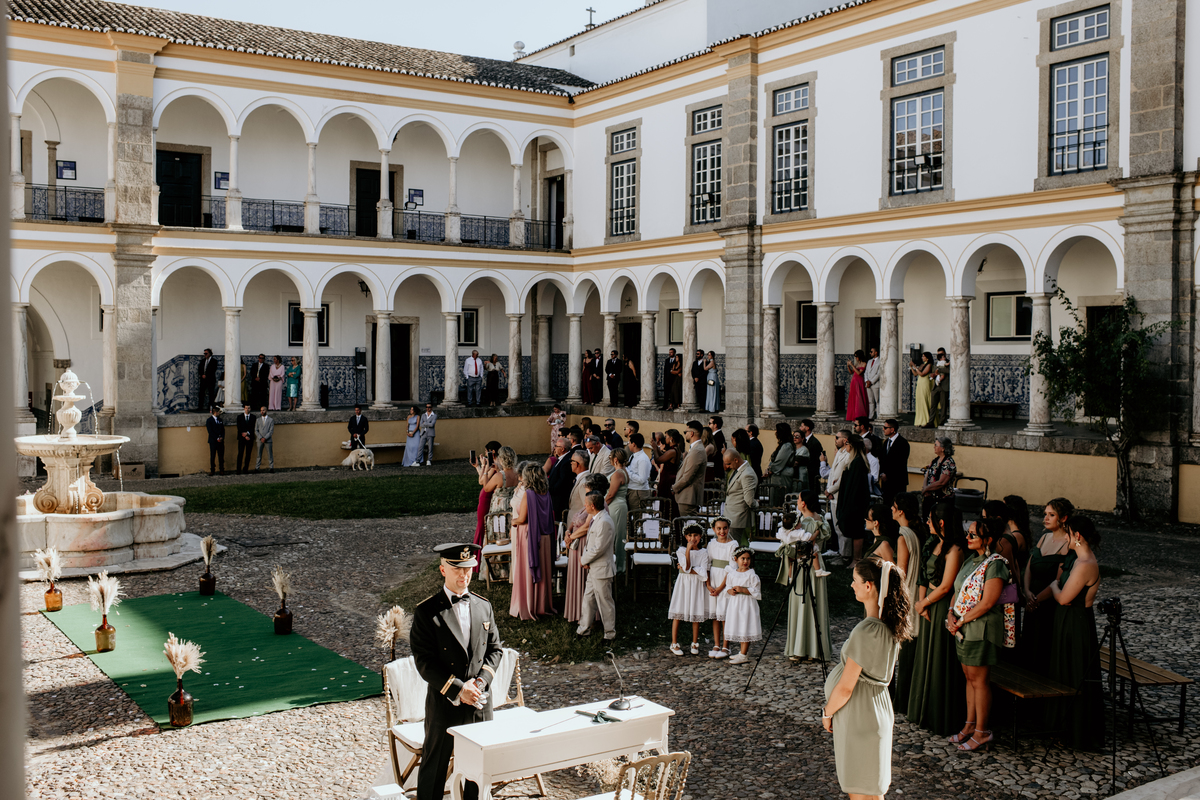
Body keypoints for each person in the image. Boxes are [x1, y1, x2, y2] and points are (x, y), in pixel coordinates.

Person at [410, 542, 503, 800]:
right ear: (443, 570)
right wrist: (460, 690)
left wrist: (479, 685)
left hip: (479, 703)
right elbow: (425, 662)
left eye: (469, 569)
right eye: (457, 569)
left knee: (479, 773)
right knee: (434, 770)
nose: (464, 575)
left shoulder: (484, 606)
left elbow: (495, 650)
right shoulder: (427, 611)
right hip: (444, 702)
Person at [822, 557, 913, 799]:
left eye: (855, 580)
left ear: (869, 586)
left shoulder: (866, 630)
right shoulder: (890, 626)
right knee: (872, 790)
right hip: (877, 710)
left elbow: (846, 687)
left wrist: (827, 712)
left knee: (860, 791)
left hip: (859, 714)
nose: (852, 585)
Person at [946, 517, 1013, 753]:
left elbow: (987, 603)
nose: (968, 537)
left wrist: (961, 620)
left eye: (973, 535)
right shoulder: (971, 560)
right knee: (969, 678)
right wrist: (950, 614)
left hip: (981, 630)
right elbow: (957, 590)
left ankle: (982, 731)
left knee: (980, 681)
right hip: (964, 629)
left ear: (988, 539)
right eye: (969, 533)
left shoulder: (996, 565)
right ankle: (969, 725)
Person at [906, 501, 967, 736]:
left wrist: (924, 603)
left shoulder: (956, 550)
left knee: (939, 655)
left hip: (942, 605)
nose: (927, 522)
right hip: (928, 603)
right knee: (925, 654)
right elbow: (924, 574)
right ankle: (922, 709)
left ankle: (939, 714)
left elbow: (946, 586)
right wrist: (921, 603)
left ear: (941, 522)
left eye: (930, 519)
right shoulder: (934, 543)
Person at [1046, 515, 1104, 751]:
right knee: (1065, 671)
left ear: (1077, 536)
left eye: (1068, 534)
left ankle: (1076, 731)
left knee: (1074, 673)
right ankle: (1065, 727)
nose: (1066, 538)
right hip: (1071, 621)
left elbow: (1064, 598)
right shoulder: (1081, 560)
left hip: (1076, 623)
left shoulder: (1085, 564)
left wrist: (1053, 585)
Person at [1022, 497, 1073, 673]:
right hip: (1032, 598)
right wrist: (1027, 592)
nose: (1046, 518)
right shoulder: (1044, 538)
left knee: (1043, 645)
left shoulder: (1067, 544)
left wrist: (1036, 600)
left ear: (1063, 518)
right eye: (1045, 514)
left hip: (1047, 603)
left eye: (1051, 515)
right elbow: (1029, 567)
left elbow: (1058, 580)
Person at [780, 493, 832, 662]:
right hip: (816, 562)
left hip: (805, 565)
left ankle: (801, 648)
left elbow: (803, 547)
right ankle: (814, 648)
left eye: (799, 499)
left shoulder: (806, 523)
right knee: (814, 603)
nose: (797, 502)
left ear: (804, 503)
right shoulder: (819, 519)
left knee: (804, 603)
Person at [886, 493, 923, 709]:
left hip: (907, 594)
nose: (891, 509)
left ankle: (900, 698)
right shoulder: (915, 534)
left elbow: (902, 572)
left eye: (894, 506)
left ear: (901, 511)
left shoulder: (903, 536)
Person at [510, 462, 555, 620]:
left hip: (530, 536)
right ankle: (542, 604)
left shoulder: (528, 494)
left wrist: (513, 521)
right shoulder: (545, 493)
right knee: (543, 568)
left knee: (527, 567)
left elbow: (522, 518)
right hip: (545, 537)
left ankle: (528, 604)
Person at [577, 491, 617, 639]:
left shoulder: (604, 522)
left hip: (602, 570)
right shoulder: (597, 519)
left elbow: (599, 548)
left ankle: (610, 633)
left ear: (592, 506)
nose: (584, 505)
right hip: (594, 569)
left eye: (586, 504)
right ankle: (584, 629)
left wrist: (584, 560)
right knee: (588, 599)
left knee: (605, 602)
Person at [668, 523, 710, 656]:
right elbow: (686, 567)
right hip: (684, 584)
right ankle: (674, 643)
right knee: (678, 611)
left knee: (696, 612)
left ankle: (695, 642)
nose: (693, 539)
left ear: (700, 536)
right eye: (690, 536)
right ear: (686, 537)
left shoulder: (704, 553)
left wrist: (690, 570)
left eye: (696, 535)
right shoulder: (681, 551)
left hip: (697, 585)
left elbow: (703, 571)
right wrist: (688, 550)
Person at [836, 434, 872, 566]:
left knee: (857, 531)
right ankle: (854, 558)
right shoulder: (855, 461)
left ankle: (857, 559)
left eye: (847, 444)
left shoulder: (857, 462)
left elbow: (856, 486)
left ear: (851, 445)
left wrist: (849, 504)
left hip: (855, 503)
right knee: (853, 529)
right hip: (853, 501)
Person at [722, 547, 762, 664]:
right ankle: (742, 652)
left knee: (745, 626)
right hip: (735, 604)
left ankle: (743, 655)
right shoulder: (732, 574)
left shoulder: (751, 574)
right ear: (736, 559)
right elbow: (728, 586)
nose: (745, 561)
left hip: (747, 604)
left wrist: (743, 590)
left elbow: (756, 591)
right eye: (743, 558)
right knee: (739, 626)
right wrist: (730, 591)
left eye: (748, 559)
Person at [706, 517, 738, 659]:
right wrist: (708, 584)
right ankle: (716, 644)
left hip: (725, 581)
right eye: (719, 528)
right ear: (714, 529)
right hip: (713, 579)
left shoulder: (733, 545)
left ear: (728, 529)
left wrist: (720, 588)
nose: (722, 531)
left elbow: (732, 567)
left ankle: (726, 646)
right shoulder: (711, 544)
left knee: (724, 614)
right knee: (715, 615)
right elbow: (707, 564)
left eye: (725, 528)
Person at [672, 421, 707, 517]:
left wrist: (674, 488)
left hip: (688, 497)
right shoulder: (695, 449)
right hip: (686, 496)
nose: (685, 435)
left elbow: (687, 477)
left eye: (685, 432)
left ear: (691, 433)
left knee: (689, 524)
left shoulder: (697, 451)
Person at [722, 449, 757, 546]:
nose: (727, 466)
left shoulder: (747, 474)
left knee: (731, 546)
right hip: (729, 515)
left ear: (736, 460)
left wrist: (757, 504)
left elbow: (749, 500)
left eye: (728, 464)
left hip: (737, 517)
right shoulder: (737, 470)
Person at [605, 449, 630, 574]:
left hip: (616, 506)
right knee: (617, 535)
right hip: (619, 505)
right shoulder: (623, 471)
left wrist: (602, 505)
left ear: (615, 460)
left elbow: (611, 495)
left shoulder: (618, 474)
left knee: (617, 536)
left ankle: (619, 566)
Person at [920, 437, 957, 520]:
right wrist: (925, 488)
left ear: (943, 448)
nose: (934, 447)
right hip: (930, 497)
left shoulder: (948, 462)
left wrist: (926, 489)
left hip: (942, 499)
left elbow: (941, 482)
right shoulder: (935, 460)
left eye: (936, 445)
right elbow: (927, 473)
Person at [877, 419, 909, 507]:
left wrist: (888, 475)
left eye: (885, 427)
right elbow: (882, 459)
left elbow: (900, 463)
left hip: (897, 481)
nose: (883, 429)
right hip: (886, 482)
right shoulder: (886, 442)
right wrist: (882, 473)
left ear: (892, 429)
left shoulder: (903, 443)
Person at [763, 422, 795, 507]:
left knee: (778, 500)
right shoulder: (783, 445)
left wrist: (771, 470)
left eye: (777, 431)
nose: (775, 433)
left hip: (781, 477)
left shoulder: (787, 446)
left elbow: (779, 461)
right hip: (778, 476)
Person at [549, 436, 582, 518]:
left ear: (563, 449)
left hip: (560, 499)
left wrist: (551, 489)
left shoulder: (567, 461)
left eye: (556, 446)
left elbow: (562, 480)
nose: (554, 448)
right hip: (555, 497)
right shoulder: (561, 458)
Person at [652, 430, 682, 517]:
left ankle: (666, 519)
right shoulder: (676, 449)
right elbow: (663, 455)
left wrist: (655, 448)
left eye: (666, 437)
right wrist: (657, 448)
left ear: (671, 438)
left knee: (666, 502)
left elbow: (658, 460)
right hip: (670, 477)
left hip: (667, 479)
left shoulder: (672, 451)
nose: (665, 439)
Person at [625, 433, 653, 518]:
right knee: (632, 517)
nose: (628, 445)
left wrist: (627, 472)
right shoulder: (633, 456)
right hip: (632, 490)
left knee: (638, 517)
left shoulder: (642, 459)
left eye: (629, 443)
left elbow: (642, 479)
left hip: (638, 492)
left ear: (634, 444)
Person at [909, 352, 933, 428]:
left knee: (924, 400)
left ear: (927, 358)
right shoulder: (922, 365)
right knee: (919, 401)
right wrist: (911, 367)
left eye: (923, 356)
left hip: (925, 383)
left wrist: (915, 366)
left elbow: (922, 374)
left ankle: (926, 420)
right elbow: (916, 374)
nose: (922, 358)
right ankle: (919, 420)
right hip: (919, 383)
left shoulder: (929, 365)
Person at [798, 419, 824, 490]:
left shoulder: (815, 443)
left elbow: (815, 459)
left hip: (811, 473)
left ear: (807, 428)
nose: (800, 428)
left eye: (802, 426)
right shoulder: (802, 441)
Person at [845, 350, 869, 422]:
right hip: (854, 381)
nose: (855, 358)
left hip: (859, 381)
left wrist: (852, 365)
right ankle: (853, 415)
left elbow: (859, 373)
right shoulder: (857, 364)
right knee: (853, 398)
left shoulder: (864, 363)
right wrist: (848, 366)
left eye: (856, 356)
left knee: (859, 398)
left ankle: (860, 415)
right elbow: (851, 372)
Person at [930, 347, 950, 428]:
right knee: (933, 405)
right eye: (939, 354)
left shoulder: (948, 362)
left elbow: (949, 371)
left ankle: (942, 422)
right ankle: (931, 421)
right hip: (936, 386)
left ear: (945, 354)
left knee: (943, 405)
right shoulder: (936, 363)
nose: (940, 355)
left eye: (942, 354)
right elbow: (934, 371)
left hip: (944, 386)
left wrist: (939, 370)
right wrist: (934, 374)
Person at [235, 403, 255, 474]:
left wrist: (248, 433)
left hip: (250, 438)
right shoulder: (240, 417)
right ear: (244, 409)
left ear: (250, 409)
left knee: (248, 454)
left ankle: (245, 469)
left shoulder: (253, 417)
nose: (247, 409)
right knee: (240, 454)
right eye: (246, 408)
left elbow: (253, 427)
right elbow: (239, 427)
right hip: (242, 438)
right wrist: (244, 435)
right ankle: (238, 469)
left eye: (248, 408)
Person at [205, 406, 225, 476]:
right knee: (213, 456)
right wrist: (217, 438)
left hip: (220, 441)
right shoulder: (209, 420)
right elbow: (210, 431)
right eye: (219, 412)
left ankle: (221, 469)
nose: (219, 413)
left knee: (221, 456)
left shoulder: (220, 420)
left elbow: (223, 430)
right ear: (215, 412)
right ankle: (212, 470)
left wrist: (222, 437)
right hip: (213, 441)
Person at [254, 406, 274, 472]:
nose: (262, 411)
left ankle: (271, 467)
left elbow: (271, 431)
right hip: (259, 440)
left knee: (270, 454)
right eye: (261, 410)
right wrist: (261, 438)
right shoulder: (258, 420)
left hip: (268, 440)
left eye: (263, 410)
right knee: (258, 454)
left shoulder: (270, 420)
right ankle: (257, 468)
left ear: (266, 410)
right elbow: (256, 430)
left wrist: (265, 438)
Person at [863, 346, 881, 420]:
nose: (870, 353)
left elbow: (879, 374)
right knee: (871, 401)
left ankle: (878, 416)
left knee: (877, 401)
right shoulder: (869, 361)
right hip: (868, 384)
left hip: (875, 384)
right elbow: (866, 372)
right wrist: (866, 380)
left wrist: (871, 381)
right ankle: (871, 416)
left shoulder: (880, 361)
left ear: (876, 352)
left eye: (871, 352)